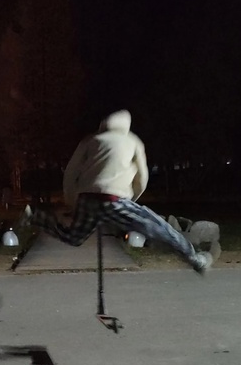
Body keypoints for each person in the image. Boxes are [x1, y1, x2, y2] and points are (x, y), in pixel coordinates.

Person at [21, 110, 213, 273]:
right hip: (114, 199)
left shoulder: (90, 140)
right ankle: (194, 258)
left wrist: (72, 200)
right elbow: (142, 178)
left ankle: (34, 216)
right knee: (157, 227)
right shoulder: (133, 141)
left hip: (87, 199)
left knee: (73, 236)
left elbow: (71, 172)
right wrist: (132, 200)